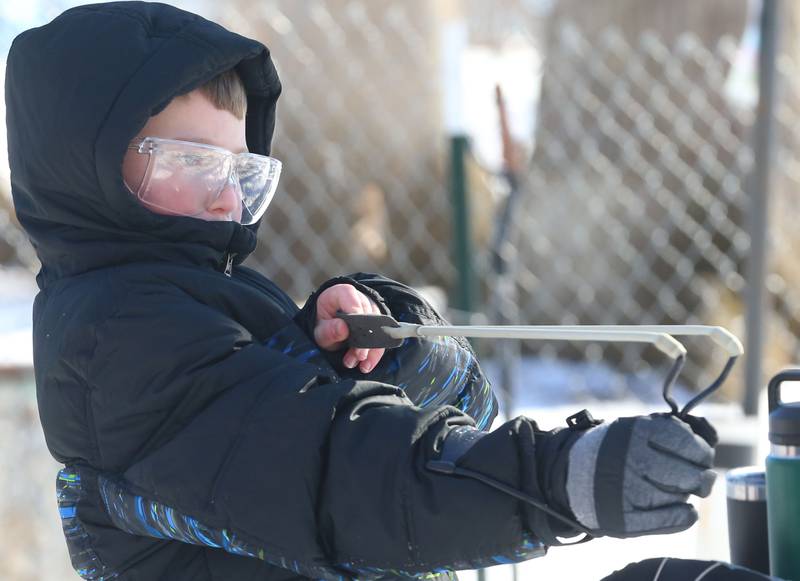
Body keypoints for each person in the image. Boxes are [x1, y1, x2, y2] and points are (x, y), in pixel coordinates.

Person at [6, 3, 736, 580]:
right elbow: (340, 476)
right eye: (193, 162)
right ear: (88, 169)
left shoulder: (223, 305)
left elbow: (465, 410)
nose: (226, 198)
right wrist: (559, 477)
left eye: (240, 171)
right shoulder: (114, 341)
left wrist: (388, 340)